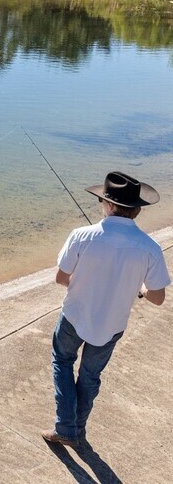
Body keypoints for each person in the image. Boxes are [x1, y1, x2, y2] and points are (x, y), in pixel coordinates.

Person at [42, 171, 169, 447]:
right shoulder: (150, 248)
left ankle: (66, 428)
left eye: (102, 200)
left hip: (74, 315)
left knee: (62, 361)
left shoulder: (81, 235)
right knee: (90, 376)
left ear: (109, 205)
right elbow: (158, 297)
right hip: (112, 324)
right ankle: (76, 429)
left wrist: (84, 283)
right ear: (137, 209)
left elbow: (61, 278)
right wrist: (140, 290)